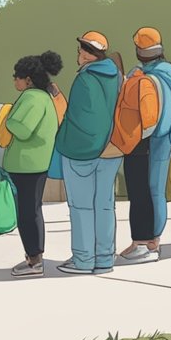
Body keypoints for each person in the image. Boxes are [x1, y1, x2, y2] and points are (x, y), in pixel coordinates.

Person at [53, 31, 123, 275]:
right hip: (112, 150)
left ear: (86, 52)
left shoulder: (84, 80)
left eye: (81, 49)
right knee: (105, 205)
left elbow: (81, 118)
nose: (78, 54)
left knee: (82, 206)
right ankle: (104, 258)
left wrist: (64, 140)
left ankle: (83, 260)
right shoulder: (116, 75)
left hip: (84, 151)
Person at [111, 28, 171, 265]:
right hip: (143, 146)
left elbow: (149, 119)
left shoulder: (143, 81)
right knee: (142, 194)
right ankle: (144, 242)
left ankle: (143, 244)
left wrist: (133, 138)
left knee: (140, 195)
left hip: (139, 147)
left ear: (140, 51)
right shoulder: (156, 74)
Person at [3, 51, 65, 277]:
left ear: (28, 79)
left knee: (27, 213)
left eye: (17, 76)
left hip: (26, 164)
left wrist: (7, 118)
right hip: (37, 162)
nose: (14, 80)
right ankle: (34, 257)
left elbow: (22, 128)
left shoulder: (31, 98)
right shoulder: (45, 97)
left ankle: (34, 260)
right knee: (33, 211)